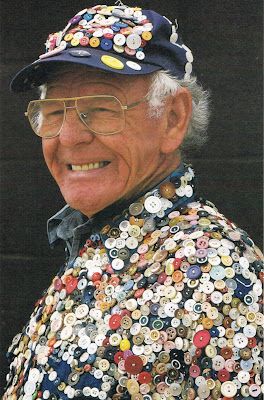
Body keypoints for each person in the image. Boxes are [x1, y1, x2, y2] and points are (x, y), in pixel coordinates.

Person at [4, 3, 263, 400]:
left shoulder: (219, 273)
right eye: (53, 111)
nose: (69, 137)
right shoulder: (98, 243)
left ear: (173, 119)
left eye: (101, 109)